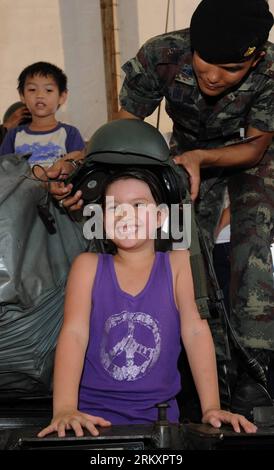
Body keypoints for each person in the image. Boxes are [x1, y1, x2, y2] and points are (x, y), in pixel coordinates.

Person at [37, 121, 257, 436]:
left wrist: (211, 406)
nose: (125, 215)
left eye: (138, 205)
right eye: (114, 208)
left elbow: (195, 332)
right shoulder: (87, 266)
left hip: (160, 424)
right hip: (91, 422)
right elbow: (73, 335)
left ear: (160, 217)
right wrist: (64, 409)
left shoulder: (178, 264)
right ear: (100, 218)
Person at [114, 0, 274, 390]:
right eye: (207, 63)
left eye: (232, 69)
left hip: (247, 155)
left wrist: (205, 157)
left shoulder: (271, 71)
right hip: (182, 155)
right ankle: (208, 373)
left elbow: (254, 148)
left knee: (254, 245)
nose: (216, 77)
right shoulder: (162, 54)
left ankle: (258, 376)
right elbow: (126, 123)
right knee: (184, 251)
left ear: (254, 62)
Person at [0, 61, 85, 169]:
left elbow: (79, 166)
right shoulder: (13, 135)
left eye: (48, 90)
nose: (40, 95)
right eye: (32, 90)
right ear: (22, 96)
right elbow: (4, 171)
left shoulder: (70, 133)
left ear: (62, 97)